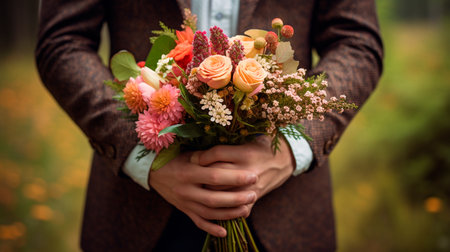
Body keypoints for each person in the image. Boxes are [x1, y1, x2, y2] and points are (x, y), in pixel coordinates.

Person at [35, 0, 383, 251]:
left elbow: (357, 42)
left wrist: (292, 145)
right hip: (137, 214)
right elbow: (63, 42)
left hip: (288, 211)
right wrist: (144, 153)